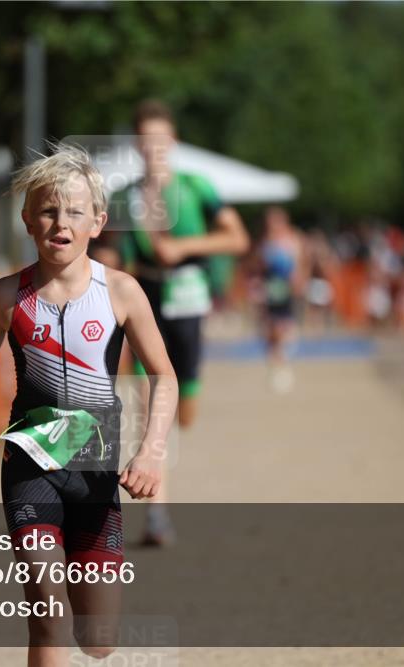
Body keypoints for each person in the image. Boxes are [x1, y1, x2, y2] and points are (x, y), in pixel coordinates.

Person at [0, 144, 178, 666]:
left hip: (95, 471)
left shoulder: (121, 292)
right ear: (27, 220)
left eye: (74, 211)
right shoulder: (5, 297)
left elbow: (164, 375)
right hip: (29, 465)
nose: (60, 222)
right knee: (48, 613)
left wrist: (151, 451)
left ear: (98, 221)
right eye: (48, 211)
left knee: (98, 639)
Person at [102, 99, 250, 545]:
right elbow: (109, 250)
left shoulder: (196, 188)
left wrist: (184, 248)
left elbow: (237, 238)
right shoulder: (123, 197)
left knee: (184, 412)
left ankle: (179, 415)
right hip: (144, 300)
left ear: (174, 142)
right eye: (145, 141)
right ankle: (157, 515)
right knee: (150, 407)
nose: (154, 149)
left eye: (161, 140)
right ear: (136, 145)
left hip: (188, 301)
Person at [258, 206, 305, 393]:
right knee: (270, 328)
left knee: (282, 326)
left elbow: (298, 264)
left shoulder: (292, 239)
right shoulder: (266, 241)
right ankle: (277, 361)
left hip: (285, 289)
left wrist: (298, 281)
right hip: (271, 288)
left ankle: (282, 362)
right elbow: (261, 266)